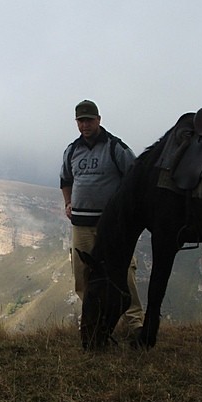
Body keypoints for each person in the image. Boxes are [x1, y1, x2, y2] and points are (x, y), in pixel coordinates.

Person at [60, 99, 144, 334]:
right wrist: (68, 202)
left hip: (112, 226)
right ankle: (91, 319)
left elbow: (136, 177)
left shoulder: (115, 147)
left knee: (123, 270)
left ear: (99, 119)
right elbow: (65, 180)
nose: (85, 125)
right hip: (81, 225)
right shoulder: (72, 150)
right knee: (82, 273)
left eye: (89, 120)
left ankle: (134, 321)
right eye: (81, 120)